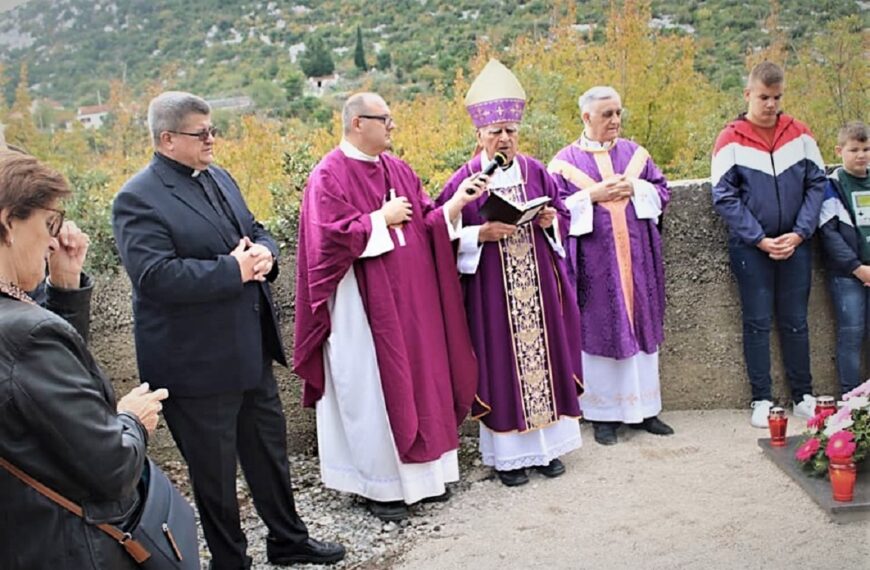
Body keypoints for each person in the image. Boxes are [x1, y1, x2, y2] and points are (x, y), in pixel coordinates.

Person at [112, 91, 344, 569]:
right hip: (194, 365)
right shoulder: (136, 198)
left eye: (213, 129)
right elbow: (155, 277)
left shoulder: (219, 175)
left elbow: (255, 228)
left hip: (248, 350)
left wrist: (265, 252)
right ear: (167, 139)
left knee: (269, 455)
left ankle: (287, 540)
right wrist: (232, 270)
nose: (212, 139)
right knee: (214, 476)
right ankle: (230, 560)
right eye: (202, 133)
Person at [294, 92, 478, 522]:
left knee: (422, 379)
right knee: (373, 389)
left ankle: (426, 479)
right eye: (385, 119)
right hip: (362, 307)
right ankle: (379, 486)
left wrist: (455, 206)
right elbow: (326, 242)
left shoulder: (398, 169)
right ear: (358, 122)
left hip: (413, 303)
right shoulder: (328, 176)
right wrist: (379, 219)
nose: (392, 126)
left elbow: (426, 221)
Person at [0, 151, 169, 569]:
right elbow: (112, 468)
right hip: (63, 544)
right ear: (8, 222)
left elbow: (38, 391)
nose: (54, 240)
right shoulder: (26, 334)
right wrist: (132, 418)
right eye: (48, 223)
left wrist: (64, 286)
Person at [436, 60, 583, 487]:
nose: (504, 138)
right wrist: (478, 233)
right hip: (492, 292)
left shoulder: (537, 172)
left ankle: (546, 450)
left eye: (510, 131)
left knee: (546, 361)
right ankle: (509, 459)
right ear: (479, 134)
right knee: (501, 363)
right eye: (495, 131)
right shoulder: (464, 180)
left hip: (539, 287)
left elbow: (564, 215)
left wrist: (549, 221)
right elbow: (439, 230)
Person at [548, 86, 675, 446]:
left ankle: (646, 409)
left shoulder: (637, 155)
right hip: (594, 267)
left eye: (618, 113)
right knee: (601, 330)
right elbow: (553, 211)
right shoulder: (564, 164)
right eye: (607, 114)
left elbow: (662, 191)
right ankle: (603, 415)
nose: (616, 120)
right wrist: (592, 196)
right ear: (586, 117)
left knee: (641, 326)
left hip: (638, 262)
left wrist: (636, 188)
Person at [711, 61, 827, 427]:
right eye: (763, 97)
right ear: (748, 94)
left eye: (776, 97)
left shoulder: (801, 134)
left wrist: (800, 232)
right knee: (757, 322)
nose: (770, 104)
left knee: (796, 321)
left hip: (796, 243)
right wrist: (759, 239)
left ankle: (803, 395)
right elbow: (724, 196)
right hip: (752, 248)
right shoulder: (729, 138)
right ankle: (761, 399)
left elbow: (817, 184)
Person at [818, 121, 870, 396]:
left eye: (866, 149)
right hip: (848, 274)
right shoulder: (831, 187)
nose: (861, 155)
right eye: (854, 149)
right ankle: (850, 397)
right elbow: (829, 235)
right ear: (840, 151)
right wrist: (858, 268)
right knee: (851, 333)